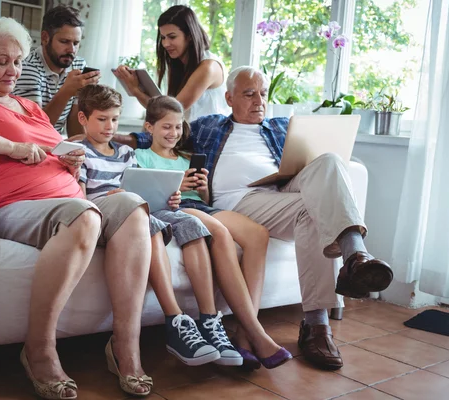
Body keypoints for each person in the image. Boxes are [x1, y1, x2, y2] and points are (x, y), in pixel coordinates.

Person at [0, 18, 154, 398]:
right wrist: (11, 148)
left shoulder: (31, 107)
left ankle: (126, 346)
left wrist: (68, 161)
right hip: (20, 205)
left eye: (17, 61)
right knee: (85, 217)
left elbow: (52, 147)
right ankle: (39, 350)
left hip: (72, 199)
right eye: (1, 61)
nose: (12, 70)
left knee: (132, 206)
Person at [119, 66, 395, 371]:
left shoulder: (281, 126)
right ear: (229, 98)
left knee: (328, 163)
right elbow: (159, 133)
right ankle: (317, 324)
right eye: (249, 94)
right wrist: (108, 138)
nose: (258, 100)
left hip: (280, 190)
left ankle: (354, 254)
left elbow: (307, 168)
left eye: (263, 93)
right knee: (312, 214)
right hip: (241, 200)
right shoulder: (208, 126)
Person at [76, 84, 248, 368]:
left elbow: (140, 188)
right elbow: (81, 197)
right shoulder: (81, 153)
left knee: (191, 223)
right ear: (84, 119)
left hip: (144, 206)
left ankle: (208, 320)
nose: (110, 126)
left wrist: (169, 196)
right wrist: (112, 197)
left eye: (115, 119)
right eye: (102, 119)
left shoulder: (125, 153)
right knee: (150, 224)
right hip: (115, 212)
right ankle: (176, 321)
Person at [135, 95, 292, 370]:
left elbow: (204, 198)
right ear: (150, 128)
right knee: (219, 232)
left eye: (177, 127)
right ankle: (255, 332)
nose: (173, 133)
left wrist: (203, 185)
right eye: (166, 127)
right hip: (177, 208)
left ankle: (245, 335)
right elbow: (149, 197)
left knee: (257, 233)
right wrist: (177, 186)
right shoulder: (142, 157)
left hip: (201, 205)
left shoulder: (186, 157)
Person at [113, 5, 230, 122]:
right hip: (188, 135)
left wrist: (136, 91)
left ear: (189, 36)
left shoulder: (208, 67)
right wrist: (137, 86)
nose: (165, 44)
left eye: (172, 37)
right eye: (163, 37)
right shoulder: (178, 64)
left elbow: (170, 112)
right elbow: (161, 109)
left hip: (210, 137)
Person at [13, 5, 100, 137]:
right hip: (30, 145)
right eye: (64, 41)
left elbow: (74, 129)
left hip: (57, 142)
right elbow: (35, 129)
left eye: (76, 43)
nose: (71, 50)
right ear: (45, 38)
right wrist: (66, 92)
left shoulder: (78, 64)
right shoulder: (27, 67)